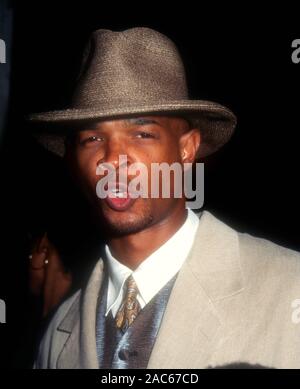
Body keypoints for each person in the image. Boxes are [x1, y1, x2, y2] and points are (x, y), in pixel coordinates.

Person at [29, 27, 300, 369]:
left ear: (186, 148)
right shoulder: (58, 333)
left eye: (142, 133)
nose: (113, 159)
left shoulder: (290, 288)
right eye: (92, 139)